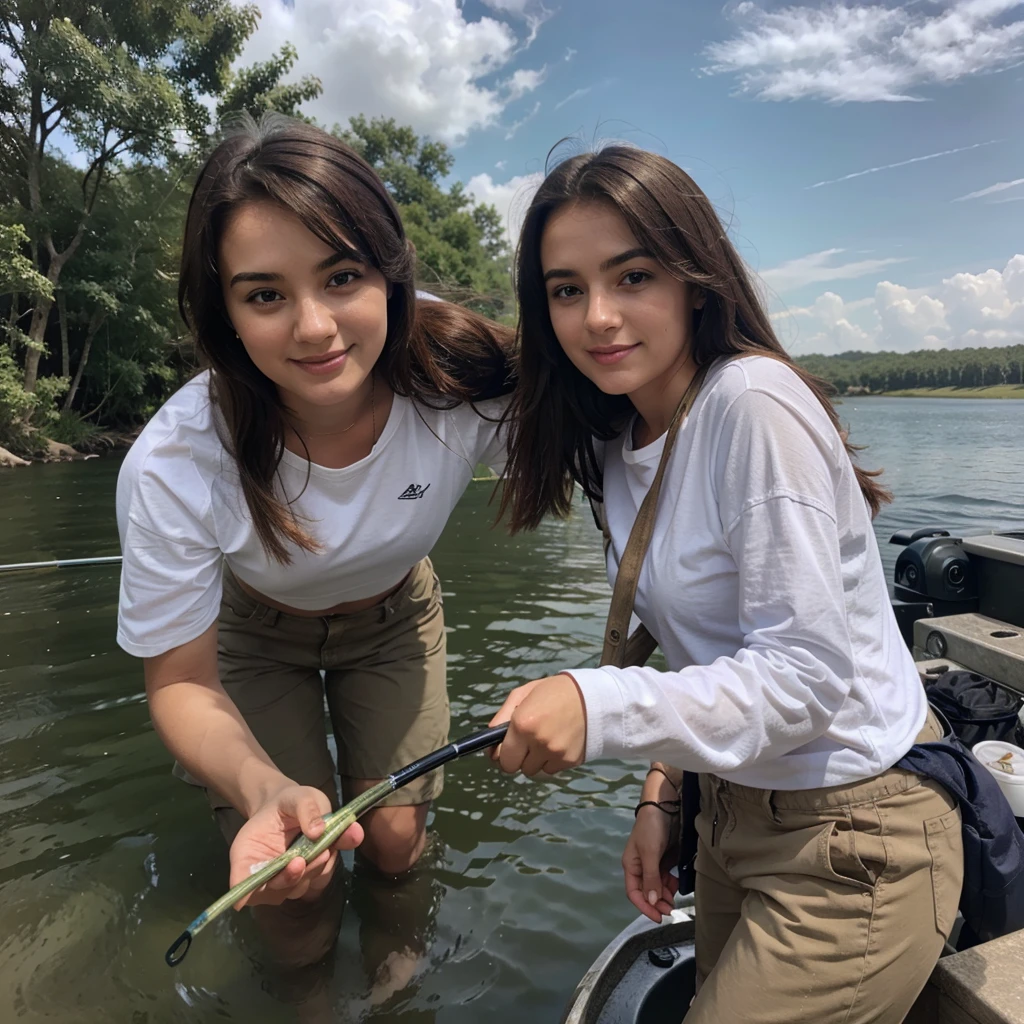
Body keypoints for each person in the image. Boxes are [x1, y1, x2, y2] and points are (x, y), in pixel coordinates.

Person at [488, 146, 964, 1023]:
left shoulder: (751, 402)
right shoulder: (620, 439)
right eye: (564, 289)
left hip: (855, 831)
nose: (597, 315)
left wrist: (594, 708)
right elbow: (706, 648)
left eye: (632, 275)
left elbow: (806, 676)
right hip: (730, 816)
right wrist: (663, 795)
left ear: (695, 282)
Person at [115, 114, 513, 988]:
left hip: (397, 614)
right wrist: (260, 786)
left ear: (390, 273)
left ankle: (395, 975)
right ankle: (305, 1001)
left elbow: (620, 446)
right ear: (222, 311)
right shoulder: (178, 462)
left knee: (398, 840)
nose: (315, 328)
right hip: (256, 632)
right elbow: (180, 680)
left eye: (342, 277)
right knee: (290, 878)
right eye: (264, 294)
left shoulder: (464, 376)